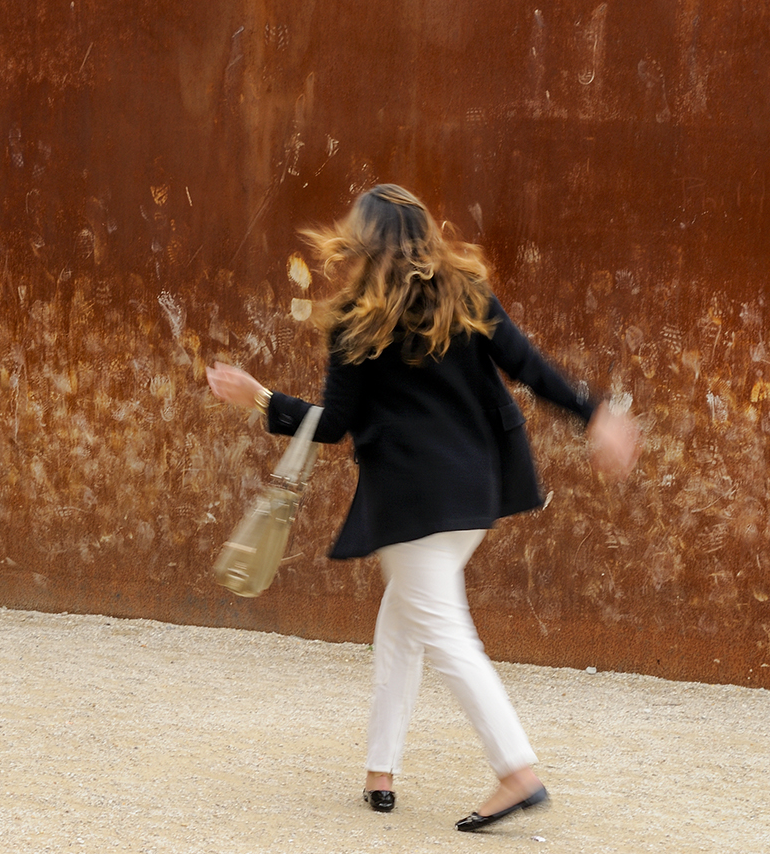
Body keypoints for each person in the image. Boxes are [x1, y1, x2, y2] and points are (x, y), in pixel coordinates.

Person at [206, 184, 639, 832]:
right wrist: (594, 414)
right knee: (402, 624)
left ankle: (516, 770)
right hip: (474, 492)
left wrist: (261, 398)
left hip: (411, 502)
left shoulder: (357, 321)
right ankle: (380, 770)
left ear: (363, 242)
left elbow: (334, 425)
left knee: (445, 631)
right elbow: (530, 367)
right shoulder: (466, 296)